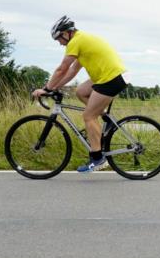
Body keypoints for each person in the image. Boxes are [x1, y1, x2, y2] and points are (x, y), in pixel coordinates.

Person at [32, 16, 127, 173]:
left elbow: (62, 68)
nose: (59, 43)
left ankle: (98, 159)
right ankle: (107, 119)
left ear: (66, 33)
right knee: (81, 91)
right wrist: (54, 87)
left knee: (88, 116)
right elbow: (72, 71)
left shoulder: (76, 41)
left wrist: (47, 89)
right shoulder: (82, 41)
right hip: (108, 76)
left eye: (58, 39)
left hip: (110, 79)